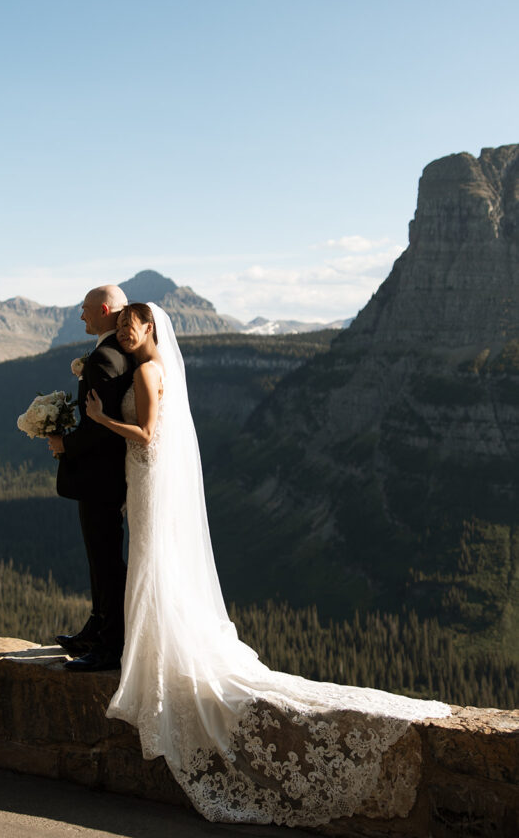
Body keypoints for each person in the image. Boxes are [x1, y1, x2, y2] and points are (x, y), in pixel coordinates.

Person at [84, 301, 452, 829]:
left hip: (145, 470)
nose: (122, 331)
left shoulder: (145, 369)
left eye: (129, 325)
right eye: (118, 325)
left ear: (149, 330)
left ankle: (155, 658)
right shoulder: (158, 365)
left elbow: (147, 435)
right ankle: (154, 650)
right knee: (154, 565)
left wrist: (101, 419)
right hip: (145, 481)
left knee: (150, 566)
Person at [47, 284, 134, 672]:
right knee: (103, 559)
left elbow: (100, 428)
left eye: (84, 309)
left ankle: (110, 648)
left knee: (105, 562)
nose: (81, 315)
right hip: (112, 475)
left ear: (103, 310)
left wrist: (64, 444)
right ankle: (96, 630)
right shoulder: (121, 352)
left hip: (100, 477)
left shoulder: (103, 358)